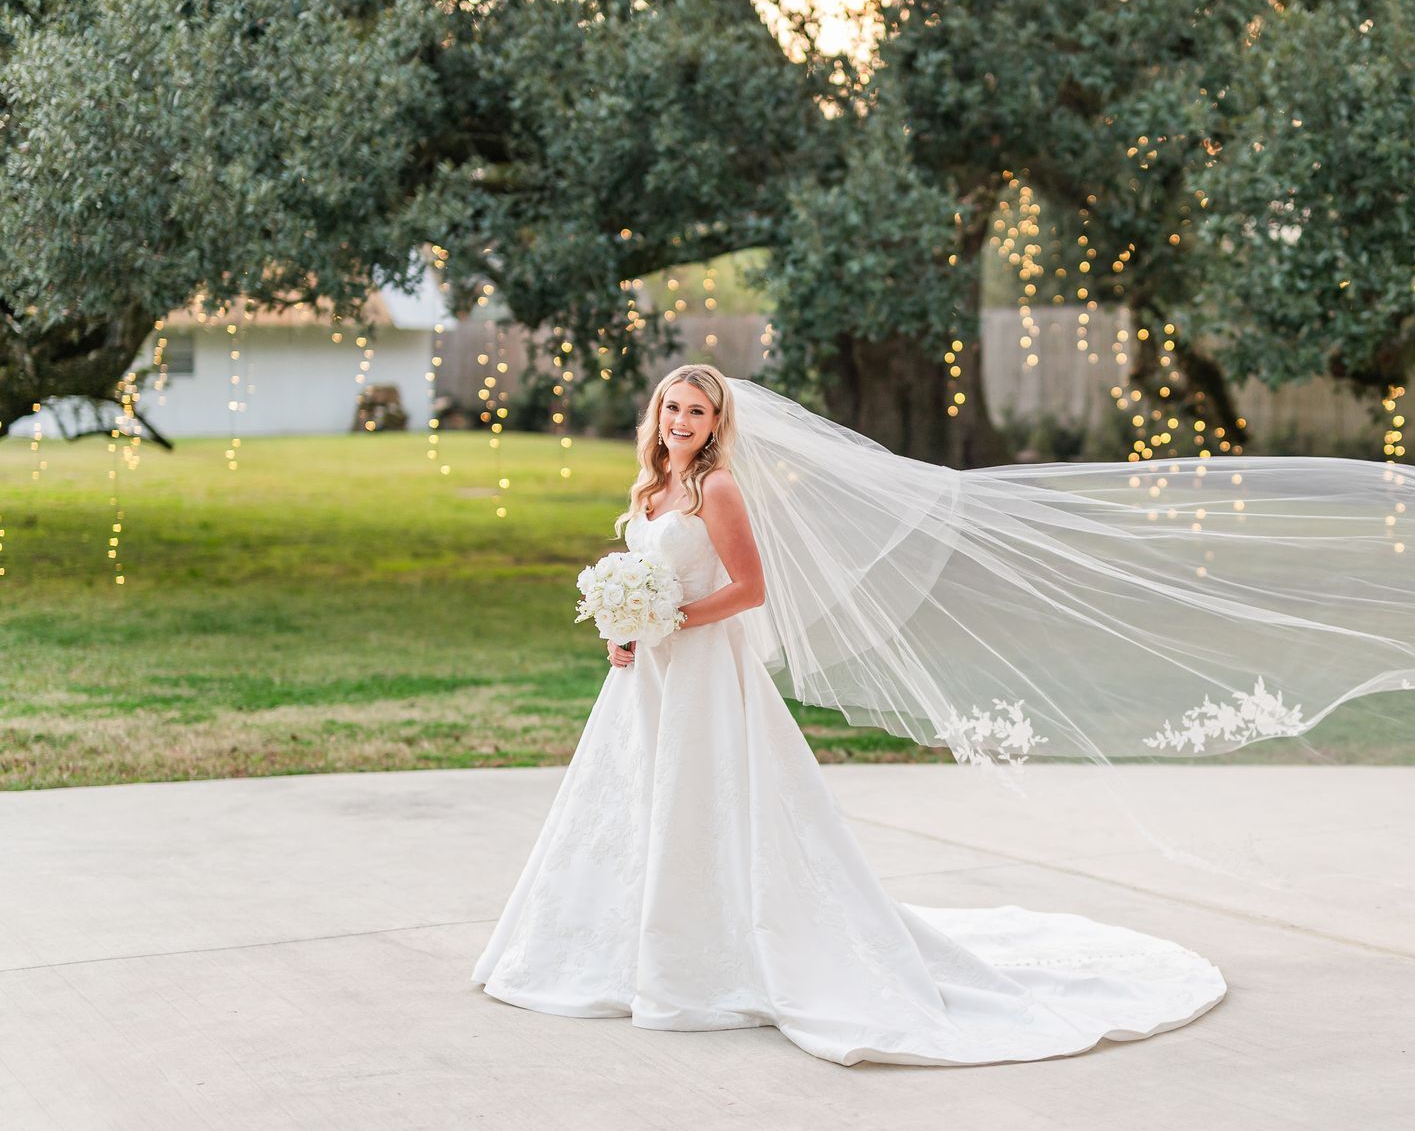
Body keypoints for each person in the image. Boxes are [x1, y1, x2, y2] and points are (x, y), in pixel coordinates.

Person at [470, 364, 1229, 1066]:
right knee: (634, 798)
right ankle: (617, 949)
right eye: (672, 406)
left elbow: (750, 589)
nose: (680, 419)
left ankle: (710, 954)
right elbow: (641, 575)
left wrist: (670, 618)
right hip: (647, 676)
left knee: (708, 801)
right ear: (657, 414)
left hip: (702, 669)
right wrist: (622, 625)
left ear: (715, 422)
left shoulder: (718, 490)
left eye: (696, 411)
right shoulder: (650, 488)